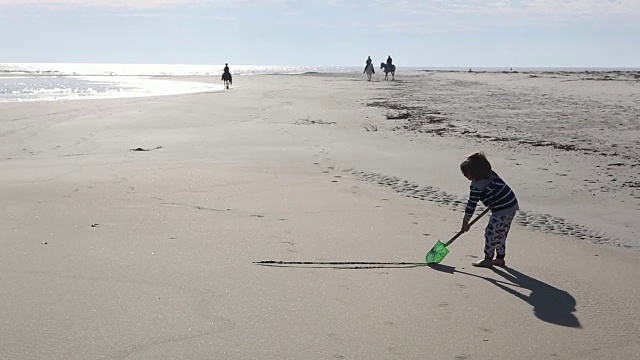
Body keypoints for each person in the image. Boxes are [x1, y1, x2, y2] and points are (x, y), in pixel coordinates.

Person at [460, 152, 519, 268]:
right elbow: (497, 191)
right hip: (512, 204)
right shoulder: (491, 175)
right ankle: (500, 258)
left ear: (474, 173)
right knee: (501, 233)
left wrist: (465, 221)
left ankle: (488, 259)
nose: (465, 176)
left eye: (466, 174)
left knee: (490, 233)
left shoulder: (477, 186)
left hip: (502, 209)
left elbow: (471, 204)